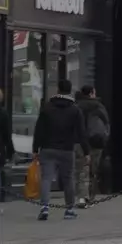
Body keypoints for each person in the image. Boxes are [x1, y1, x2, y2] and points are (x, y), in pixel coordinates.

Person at [33, 79, 89, 220]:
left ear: (58, 89)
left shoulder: (47, 108)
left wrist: (35, 148)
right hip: (66, 149)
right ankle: (69, 209)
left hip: (47, 148)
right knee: (68, 179)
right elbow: (82, 132)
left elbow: (39, 129)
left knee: (46, 178)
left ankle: (44, 207)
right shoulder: (75, 110)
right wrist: (86, 151)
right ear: (69, 91)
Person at [76, 84, 110, 204]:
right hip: (96, 141)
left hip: (81, 142)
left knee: (83, 168)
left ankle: (82, 196)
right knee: (93, 169)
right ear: (91, 93)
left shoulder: (77, 106)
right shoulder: (99, 106)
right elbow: (106, 123)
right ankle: (90, 195)